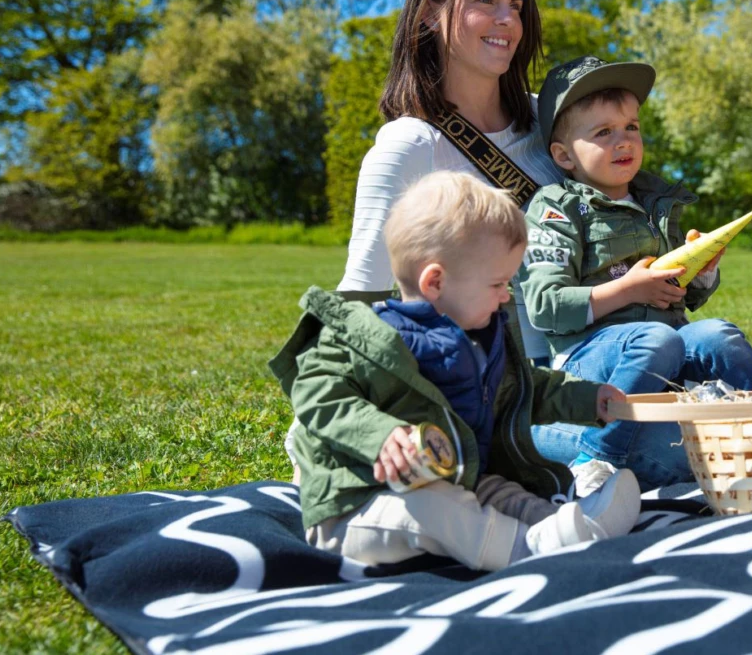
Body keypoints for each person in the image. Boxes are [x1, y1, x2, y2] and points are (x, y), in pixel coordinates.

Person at [269, 171, 643, 572]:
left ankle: (575, 526)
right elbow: (317, 393)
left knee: (501, 494)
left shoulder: (478, 337)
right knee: (435, 508)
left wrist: (587, 398)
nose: (506, 297)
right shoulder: (362, 339)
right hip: (360, 506)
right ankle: (528, 550)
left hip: (458, 481)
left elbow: (526, 388)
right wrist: (379, 435)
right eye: (498, 284)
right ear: (436, 282)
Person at [519, 56, 752, 489]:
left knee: (718, 335)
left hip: (666, 350)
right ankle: (596, 459)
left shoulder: (653, 201)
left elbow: (682, 299)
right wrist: (629, 289)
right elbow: (545, 307)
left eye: (631, 127)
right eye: (603, 133)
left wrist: (700, 270)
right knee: (656, 338)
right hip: (588, 362)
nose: (623, 141)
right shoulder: (556, 207)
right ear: (563, 155)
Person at [338, 0, 562, 362]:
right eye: (486, 1)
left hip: (596, 355)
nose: (507, 20)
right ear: (427, 14)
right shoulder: (408, 146)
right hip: (491, 387)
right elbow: (359, 303)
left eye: (515, 6)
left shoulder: (552, 122)